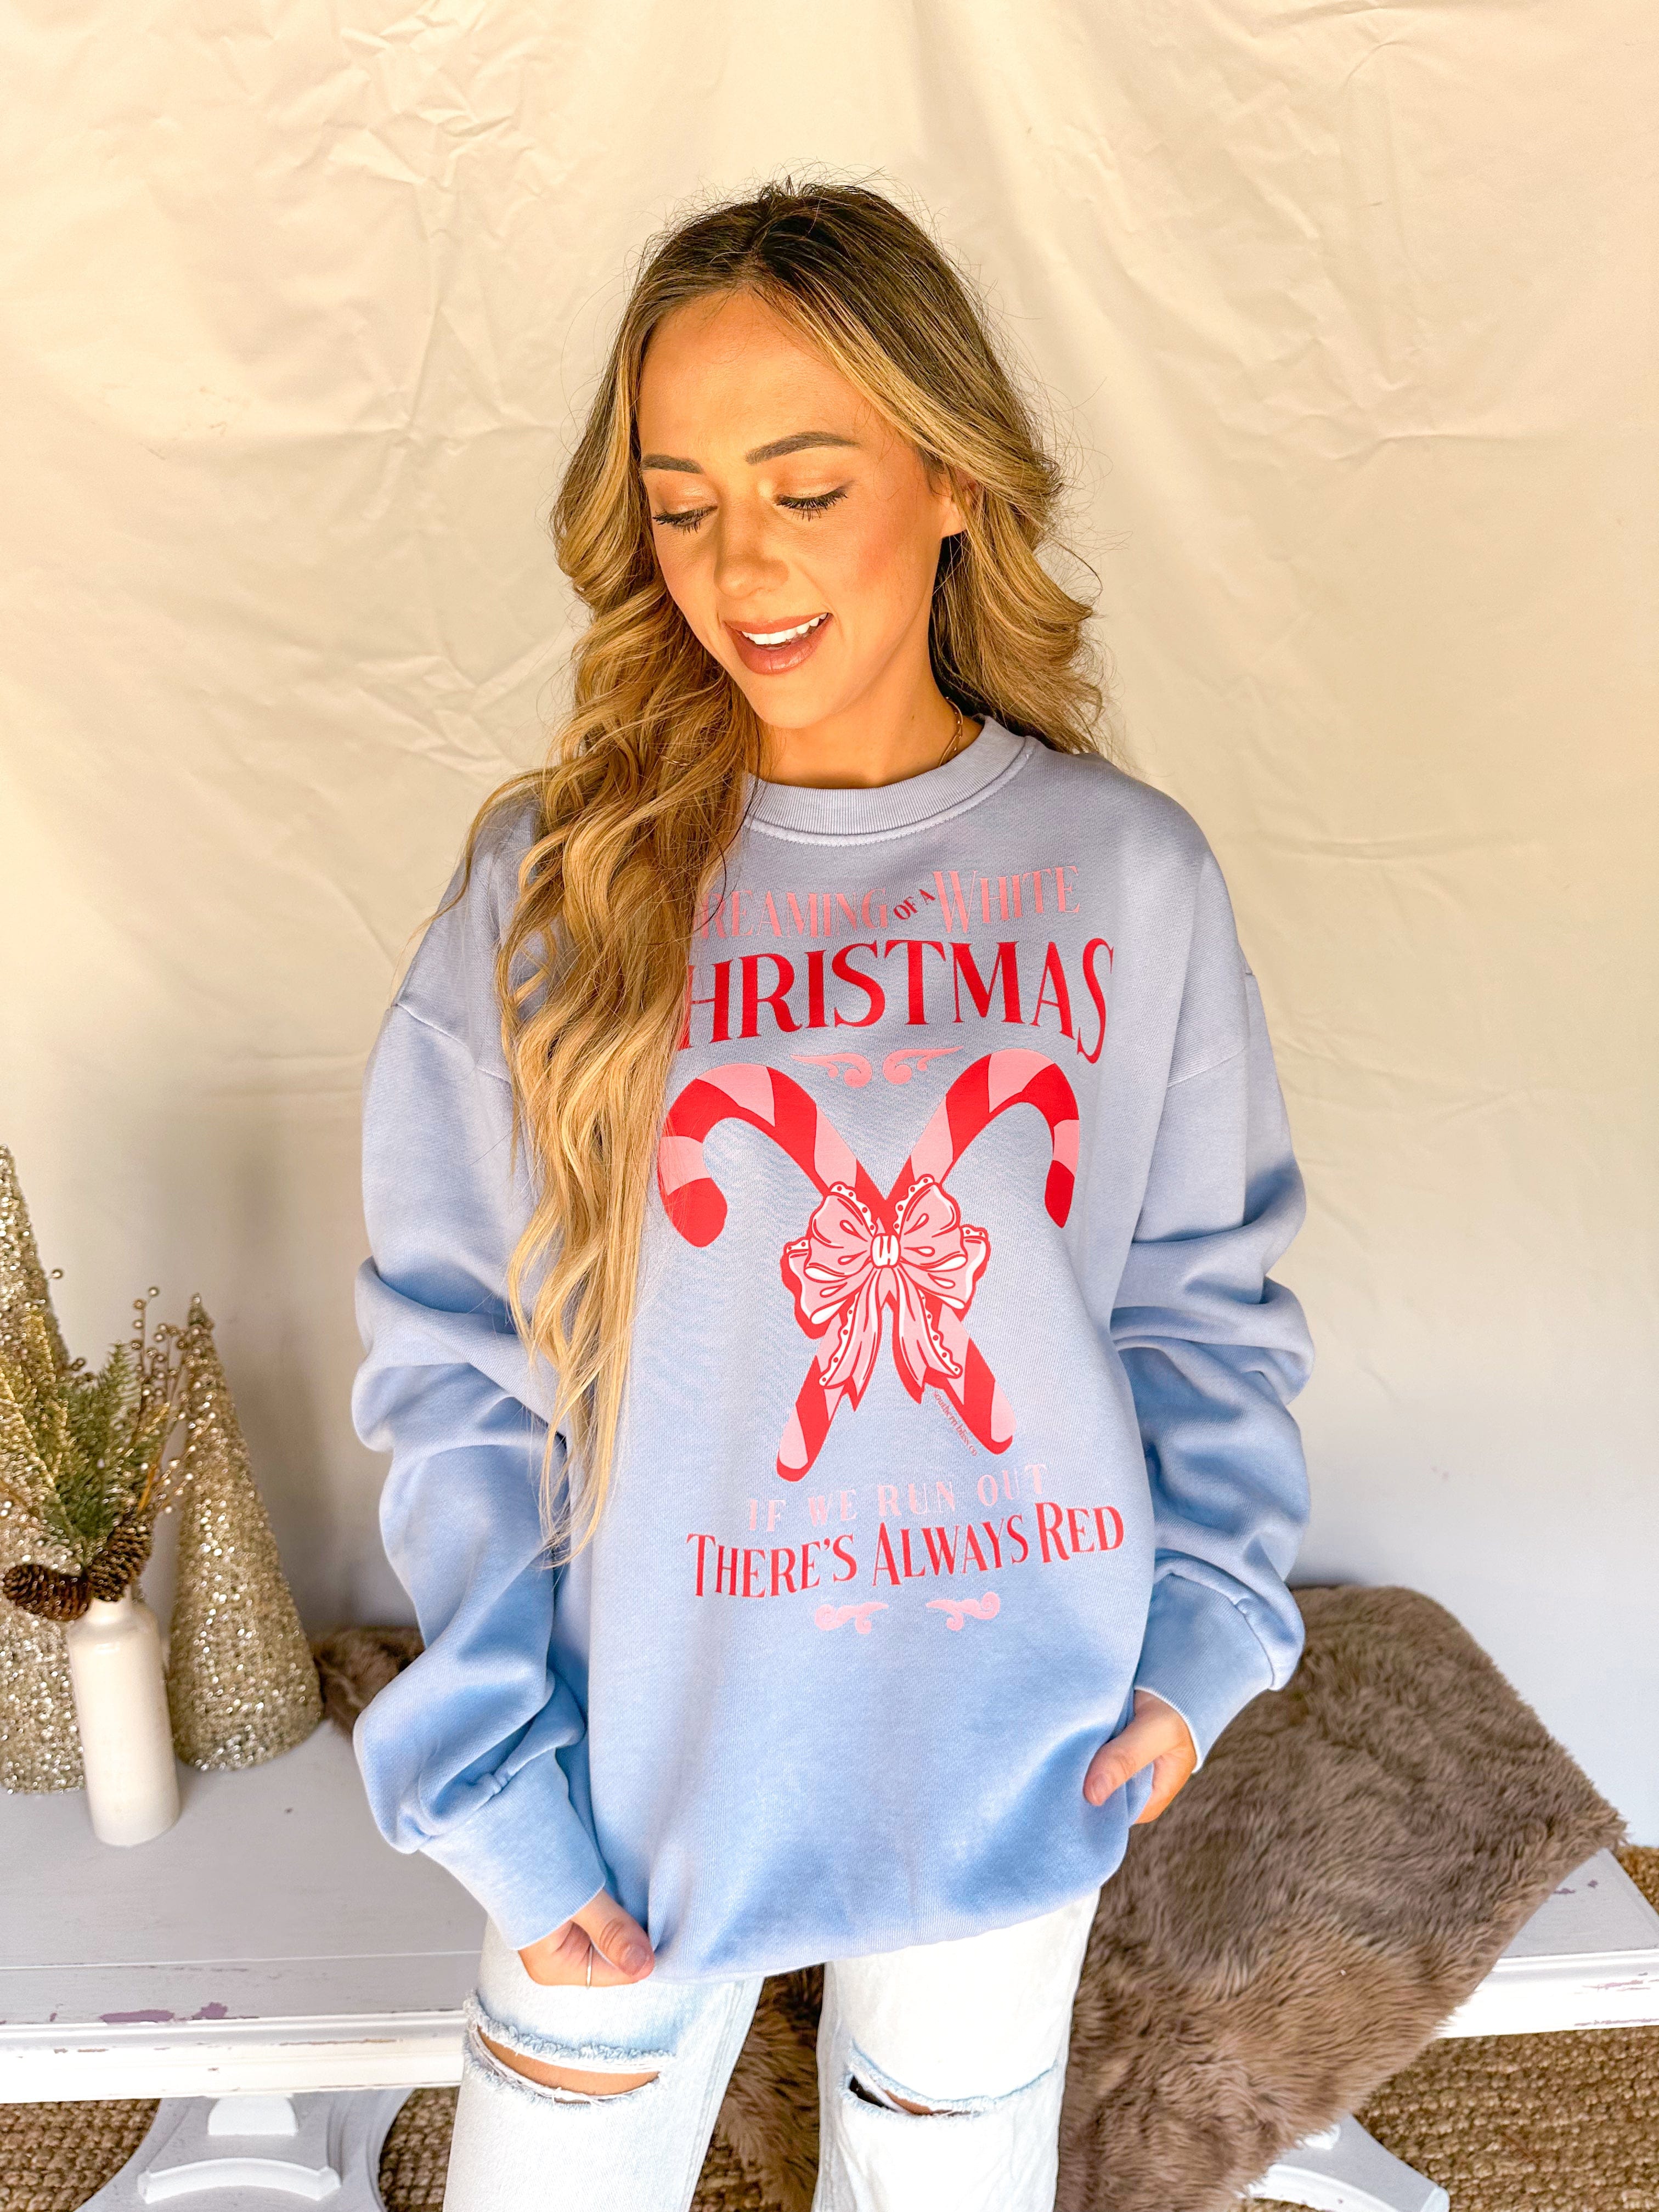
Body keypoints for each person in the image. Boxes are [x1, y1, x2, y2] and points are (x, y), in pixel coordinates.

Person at [350, 180, 1313, 2212]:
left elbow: (1198, 1303)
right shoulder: (554, 891)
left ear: (952, 478)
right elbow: (454, 1363)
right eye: (682, 503)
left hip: (1014, 1730)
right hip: (631, 1768)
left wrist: (1205, 1632)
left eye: (806, 487)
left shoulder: (1127, 875)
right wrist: (496, 1783)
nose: (742, 565)